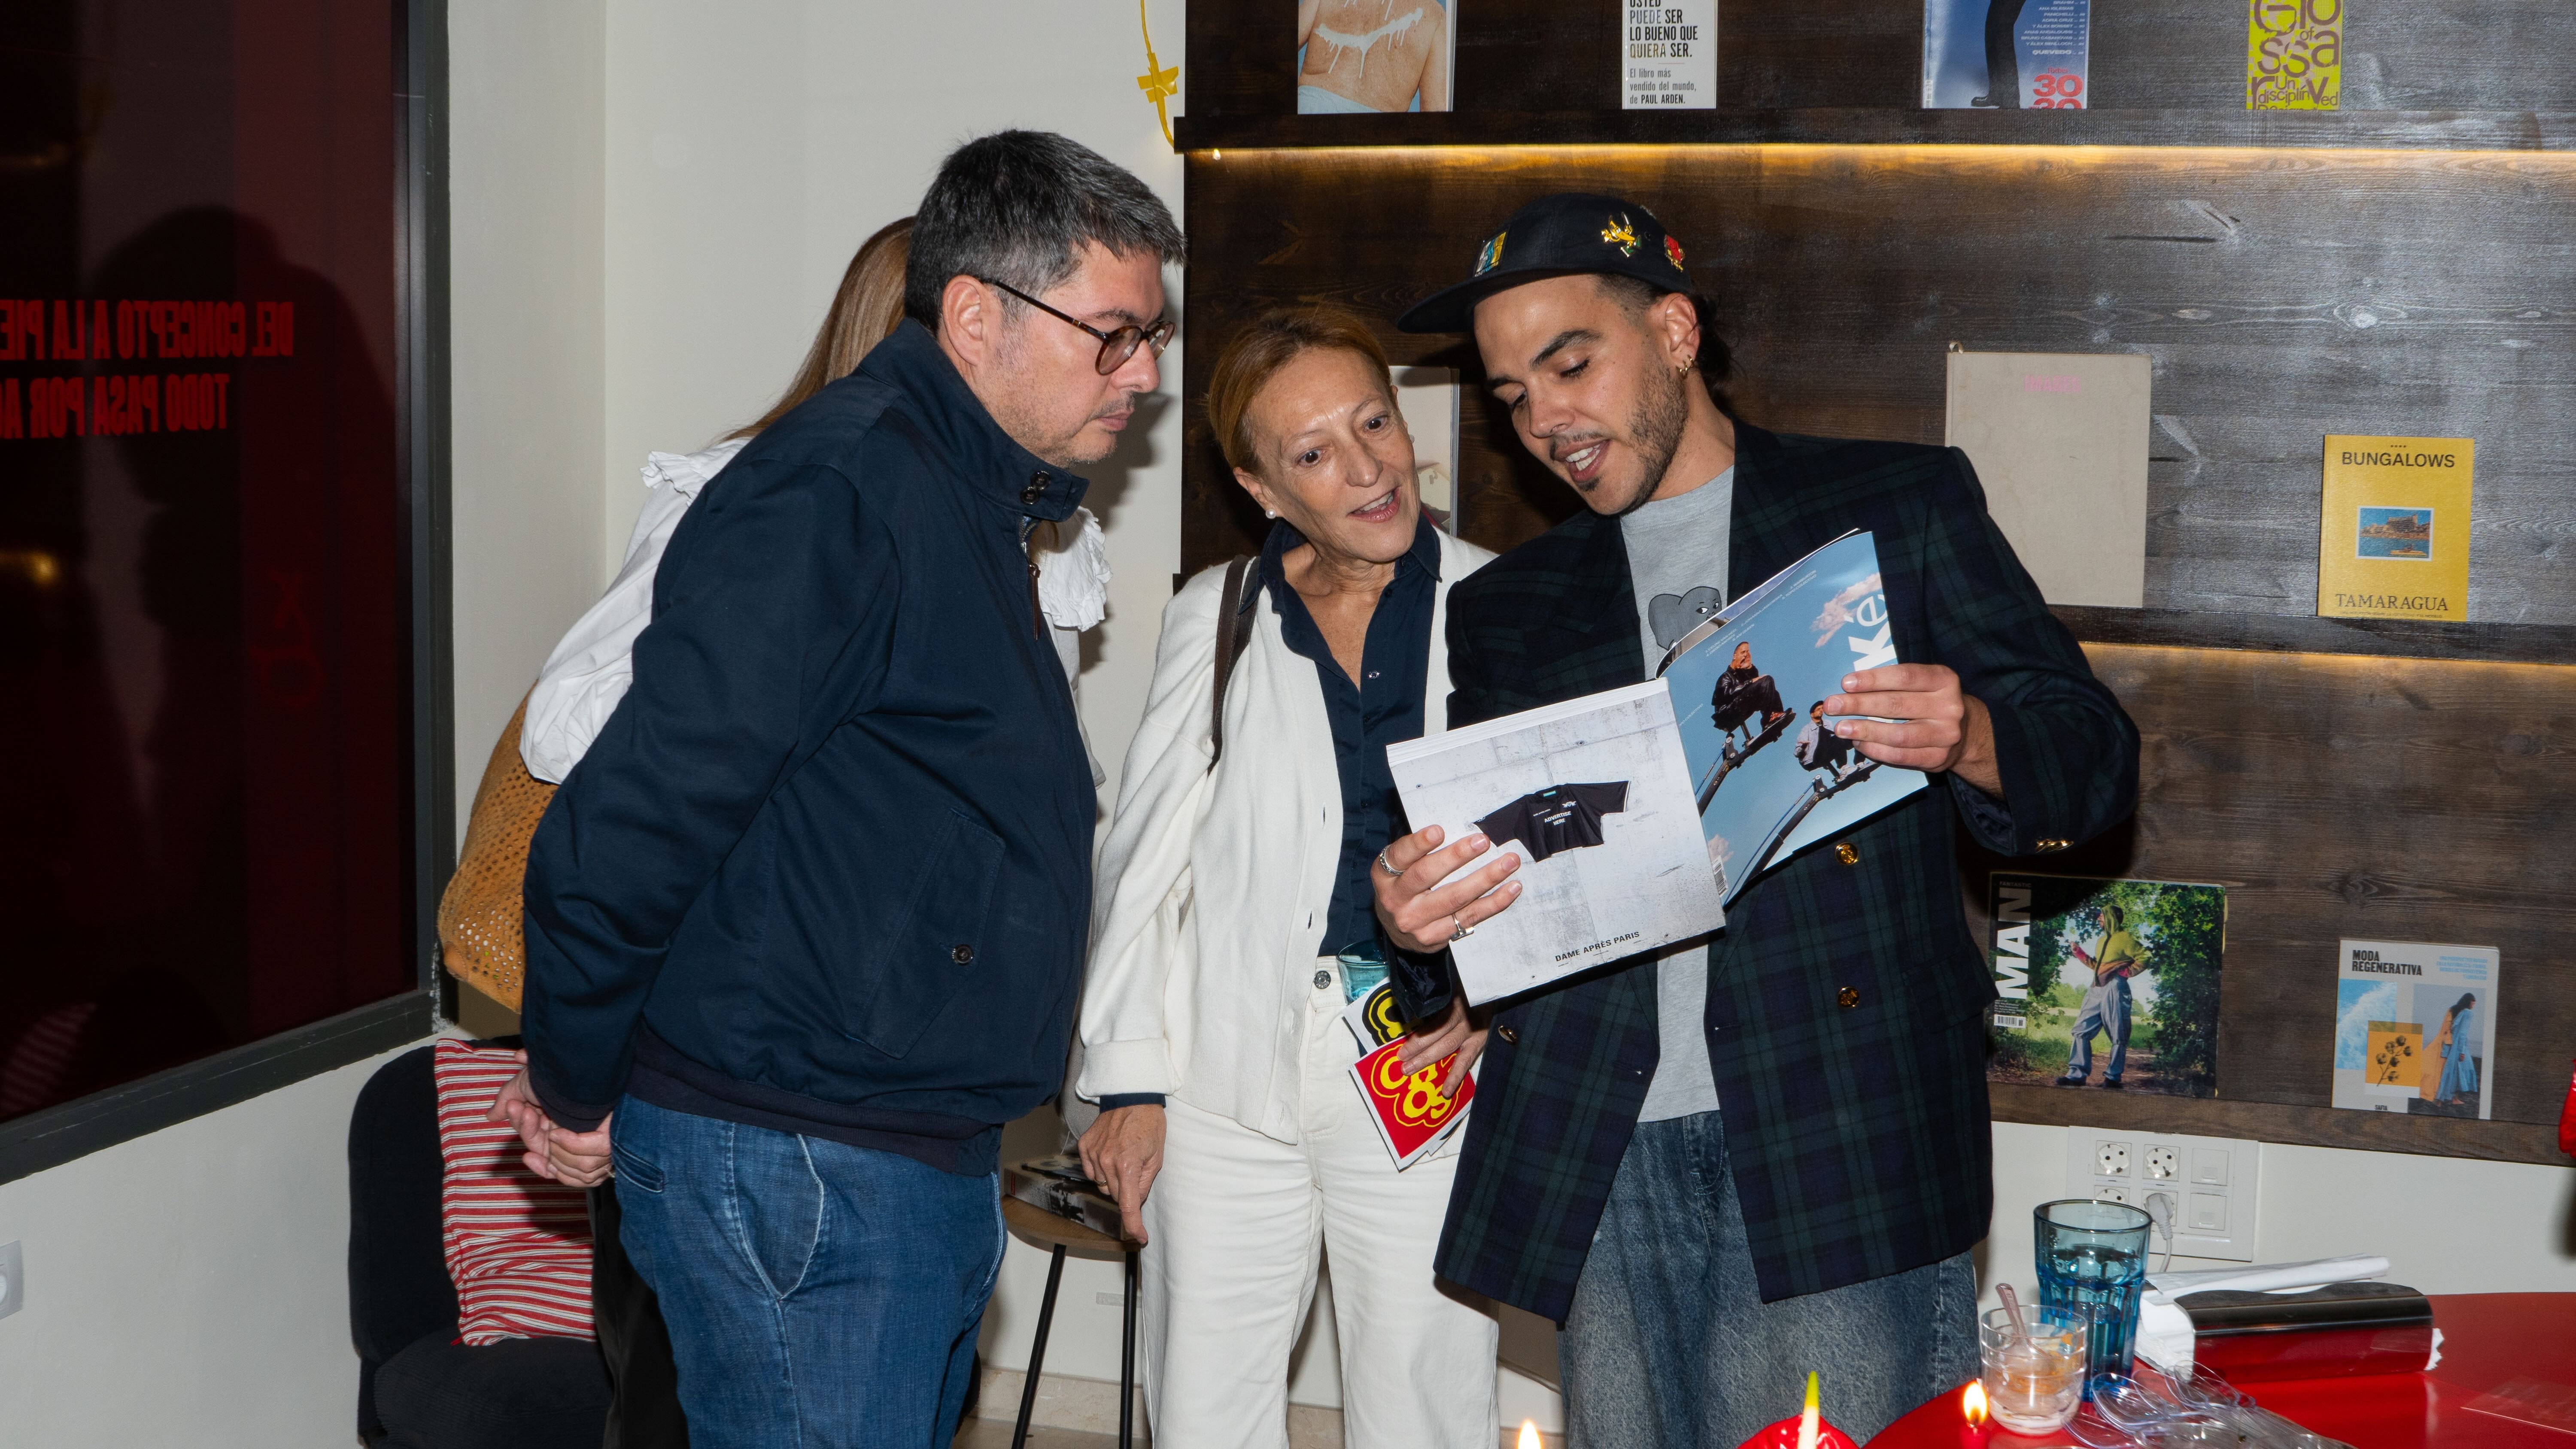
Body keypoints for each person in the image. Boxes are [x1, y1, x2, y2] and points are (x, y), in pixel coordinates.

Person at [1371, 192, 2140, 1447]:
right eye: (1511, 395)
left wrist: (1970, 733)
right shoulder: (1509, 606)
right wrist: (1419, 921)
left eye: (1569, 364)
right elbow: (1498, 894)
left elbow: (2092, 759)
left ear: (1674, 332)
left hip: (1836, 1128)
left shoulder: (1890, 508)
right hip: (1597, 1142)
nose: (1545, 420)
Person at [490, 130, 1184, 1447]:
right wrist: (574, 1080)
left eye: (1151, 337)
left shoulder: (965, 494)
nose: (1143, 374)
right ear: (974, 316)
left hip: (885, 1142)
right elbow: (632, 817)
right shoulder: (839, 491)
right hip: (804, 1151)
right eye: (1112, 336)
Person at [1075, 306, 1500, 1449]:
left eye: (1375, 423)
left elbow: (1560, 843)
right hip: (1225, 1067)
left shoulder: (1506, 600)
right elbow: (1144, 862)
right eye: (1314, 452)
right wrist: (1128, 1083)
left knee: (1425, 1406)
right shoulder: (1218, 614)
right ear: (1262, 488)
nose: (1366, 468)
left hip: (1425, 1063)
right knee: (1205, 1408)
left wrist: (1502, 1001)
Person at [1297, 0, 1452, 114]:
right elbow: (1435, 119)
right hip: (1376, 137)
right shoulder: (1434, 16)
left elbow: (1283, 48)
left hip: (1309, 117)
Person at [2059, 903, 2144, 1089]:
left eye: (2102, 915)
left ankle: (2112, 1078)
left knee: (2118, 1034)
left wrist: (2126, 973)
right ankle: (2077, 1075)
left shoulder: (2126, 938)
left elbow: (2146, 957)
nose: (2099, 918)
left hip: (2116, 987)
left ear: (2112, 917)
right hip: (2096, 988)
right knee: (2081, 1030)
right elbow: (2097, 966)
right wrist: (2079, 953)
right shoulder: (2101, 941)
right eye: (2098, 915)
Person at [1710, 640, 1789, 744]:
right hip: (1727, 714)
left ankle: (1775, 720)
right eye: (1743, 652)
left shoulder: (1742, 674)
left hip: (1741, 707)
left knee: (1773, 693)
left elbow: (1762, 688)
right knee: (1767, 679)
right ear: (1735, 657)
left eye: (1748, 652)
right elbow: (1724, 696)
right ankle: (1769, 720)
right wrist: (1750, 682)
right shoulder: (1726, 677)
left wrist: (1750, 666)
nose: (1746, 655)